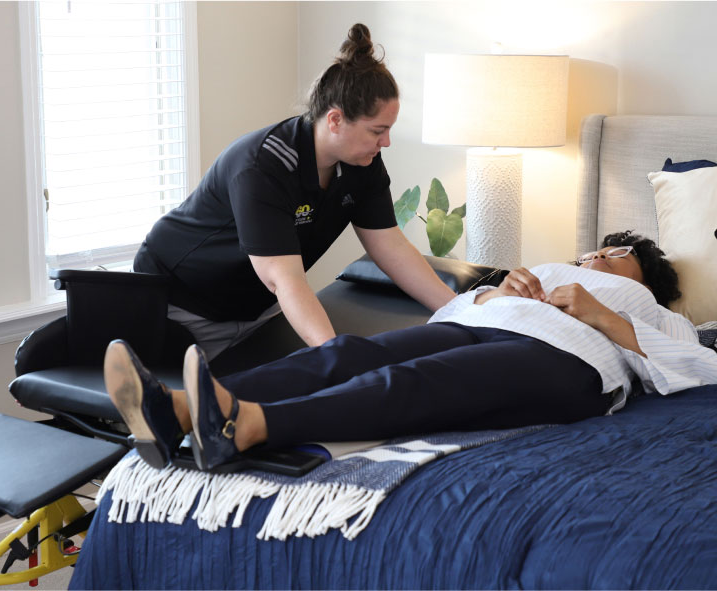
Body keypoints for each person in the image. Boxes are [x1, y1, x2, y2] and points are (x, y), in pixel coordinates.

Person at [106, 231, 717, 471]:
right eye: (593, 254)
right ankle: (181, 408)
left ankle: (247, 427)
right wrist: (491, 294)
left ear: (644, 283)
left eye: (615, 260)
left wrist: (604, 312)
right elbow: (454, 306)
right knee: (345, 356)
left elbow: (698, 369)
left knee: (419, 382)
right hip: (491, 320)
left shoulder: (658, 311)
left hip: (569, 360)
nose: (594, 262)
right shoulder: (546, 268)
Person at [132, 23, 456, 360]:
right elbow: (284, 280)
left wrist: (463, 311)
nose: (385, 142)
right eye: (378, 130)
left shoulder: (362, 161)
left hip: (256, 308)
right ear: (335, 120)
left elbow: (391, 247)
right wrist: (334, 354)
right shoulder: (262, 167)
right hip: (183, 305)